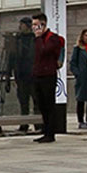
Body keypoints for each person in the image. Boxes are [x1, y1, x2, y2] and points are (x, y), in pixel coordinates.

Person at [30, 12, 65, 143]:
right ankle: (45, 130)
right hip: (37, 74)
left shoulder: (53, 38)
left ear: (43, 25)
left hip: (48, 75)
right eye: (33, 25)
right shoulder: (35, 39)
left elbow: (45, 51)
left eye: (36, 25)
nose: (33, 28)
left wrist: (39, 38)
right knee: (41, 104)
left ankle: (50, 133)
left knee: (49, 104)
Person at [4, 17, 37, 132]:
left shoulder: (35, 39)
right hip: (20, 75)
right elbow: (10, 58)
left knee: (36, 100)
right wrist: (8, 76)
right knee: (23, 101)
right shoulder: (17, 39)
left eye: (22, 24)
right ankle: (24, 124)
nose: (20, 27)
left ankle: (38, 124)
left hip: (33, 74)